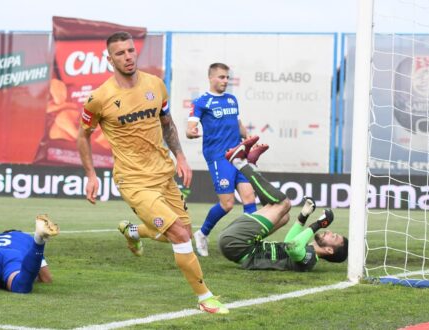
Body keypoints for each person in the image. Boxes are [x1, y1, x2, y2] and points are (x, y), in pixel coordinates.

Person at [76, 31, 228, 314]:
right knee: (181, 235)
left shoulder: (155, 85)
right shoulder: (99, 98)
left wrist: (180, 156)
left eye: (131, 50)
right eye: (120, 53)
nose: (128, 56)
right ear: (109, 59)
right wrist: (91, 175)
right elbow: (82, 136)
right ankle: (205, 298)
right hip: (134, 181)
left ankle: (132, 231)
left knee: (180, 231)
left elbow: (167, 123)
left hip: (164, 175)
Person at [218, 137, 349, 271]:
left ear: (329, 250)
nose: (329, 231)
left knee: (284, 203)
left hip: (238, 245)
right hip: (237, 244)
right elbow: (289, 241)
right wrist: (303, 216)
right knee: (284, 217)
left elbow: (293, 247)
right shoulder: (307, 251)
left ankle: (239, 162)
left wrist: (318, 225)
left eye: (333, 236)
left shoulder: (309, 259)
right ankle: (251, 166)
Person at [186, 63, 264, 257]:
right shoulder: (201, 102)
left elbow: (238, 124)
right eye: (221, 77)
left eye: (227, 77)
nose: (225, 81)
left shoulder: (232, 99)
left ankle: (250, 243)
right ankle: (202, 233)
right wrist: (191, 132)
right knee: (227, 204)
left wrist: (248, 140)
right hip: (218, 157)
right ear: (211, 78)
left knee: (249, 199)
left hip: (238, 154)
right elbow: (190, 128)